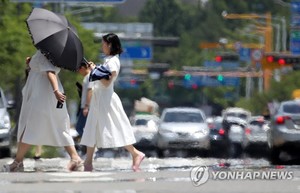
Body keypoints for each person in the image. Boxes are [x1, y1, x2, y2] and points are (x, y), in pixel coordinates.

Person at [3, 50, 83, 172]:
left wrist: (56, 91)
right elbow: (42, 68)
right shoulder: (48, 51)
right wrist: (32, 63)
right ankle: (75, 158)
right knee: (57, 126)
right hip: (42, 94)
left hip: (43, 96)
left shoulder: (47, 51)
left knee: (29, 126)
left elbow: (50, 71)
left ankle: (18, 162)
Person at [80, 33, 145, 172]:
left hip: (106, 101)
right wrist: (95, 69)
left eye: (103, 44)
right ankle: (88, 161)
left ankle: (136, 153)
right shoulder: (109, 60)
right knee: (92, 128)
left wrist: (93, 70)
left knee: (116, 129)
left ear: (109, 45)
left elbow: (107, 82)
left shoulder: (113, 61)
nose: (102, 46)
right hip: (100, 100)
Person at [75, 61, 94, 154]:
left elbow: (90, 91)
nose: (78, 72)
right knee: (84, 128)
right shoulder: (87, 77)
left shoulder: (89, 76)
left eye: (78, 69)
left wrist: (86, 106)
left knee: (79, 128)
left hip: (86, 107)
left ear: (82, 67)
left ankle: (90, 145)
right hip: (85, 107)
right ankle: (89, 147)